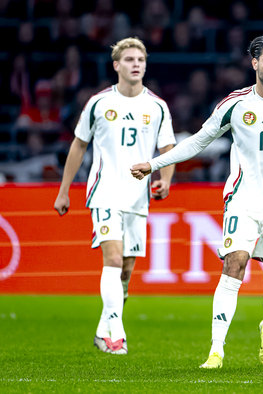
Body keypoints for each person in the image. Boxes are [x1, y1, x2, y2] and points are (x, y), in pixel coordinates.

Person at [130, 33, 263, 368]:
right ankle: (216, 350)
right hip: (243, 200)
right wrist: (154, 164)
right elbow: (197, 141)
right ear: (254, 63)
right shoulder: (235, 104)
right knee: (233, 263)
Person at [54, 37, 176, 355]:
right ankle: (117, 336)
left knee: (125, 270)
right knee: (112, 257)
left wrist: (165, 178)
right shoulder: (99, 103)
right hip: (105, 190)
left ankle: (101, 331)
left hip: (138, 197)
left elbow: (167, 149)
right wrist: (64, 190)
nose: (137, 64)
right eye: (130, 59)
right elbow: (79, 145)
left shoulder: (157, 106)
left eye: (141, 60)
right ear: (117, 66)